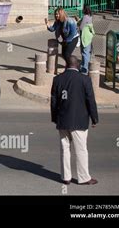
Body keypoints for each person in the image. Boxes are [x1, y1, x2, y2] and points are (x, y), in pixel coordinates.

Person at [50, 56, 99, 185]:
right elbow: (90, 101)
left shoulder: (57, 79)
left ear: (66, 65)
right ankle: (84, 178)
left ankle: (65, 177)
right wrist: (94, 118)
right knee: (81, 150)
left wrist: (55, 118)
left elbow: (54, 101)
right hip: (79, 121)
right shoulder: (85, 79)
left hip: (62, 120)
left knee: (64, 149)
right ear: (77, 66)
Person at [77, 5, 95, 74]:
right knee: (86, 52)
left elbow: (81, 27)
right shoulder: (90, 17)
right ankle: (83, 67)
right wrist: (79, 20)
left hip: (85, 37)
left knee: (85, 53)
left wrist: (79, 22)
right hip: (88, 37)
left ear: (84, 9)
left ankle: (85, 69)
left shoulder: (85, 17)